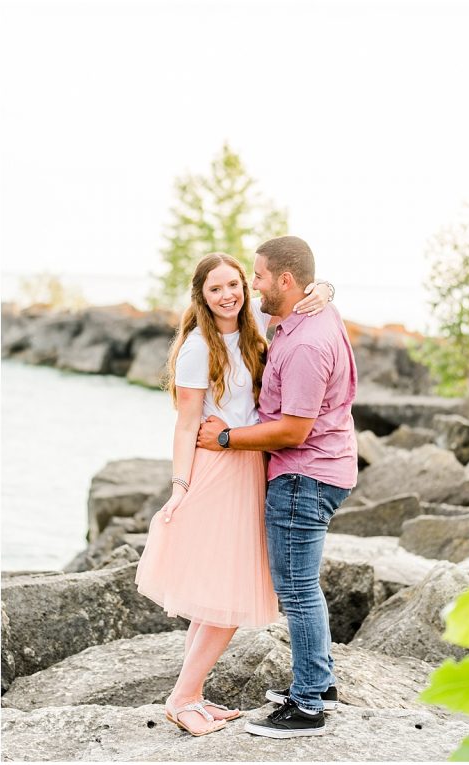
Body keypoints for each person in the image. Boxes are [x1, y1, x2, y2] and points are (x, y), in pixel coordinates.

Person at [135, 252, 333, 736]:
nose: (228, 295)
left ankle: (193, 694)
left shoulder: (253, 330)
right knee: (225, 594)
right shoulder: (199, 347)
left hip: (251, 468)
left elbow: (304, 292)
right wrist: (179, 488)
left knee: (215, 597)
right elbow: (185, 426)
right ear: (201, 297)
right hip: (219, 472)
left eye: (235, 285)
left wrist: (325, 290)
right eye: (215, 289)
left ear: (246, 286)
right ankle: (181, 700)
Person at [197, 235, 357, 739]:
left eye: (260, 276)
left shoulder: (308, 342)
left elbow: (294, 430)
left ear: (286, 281)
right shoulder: (299, 314)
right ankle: (320, 680)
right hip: (320, 469)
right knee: (303, 586)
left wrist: (226, 437)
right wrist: (325, 287)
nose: (252, 284)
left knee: (298, 590)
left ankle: (308, 705)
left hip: (302, 474)